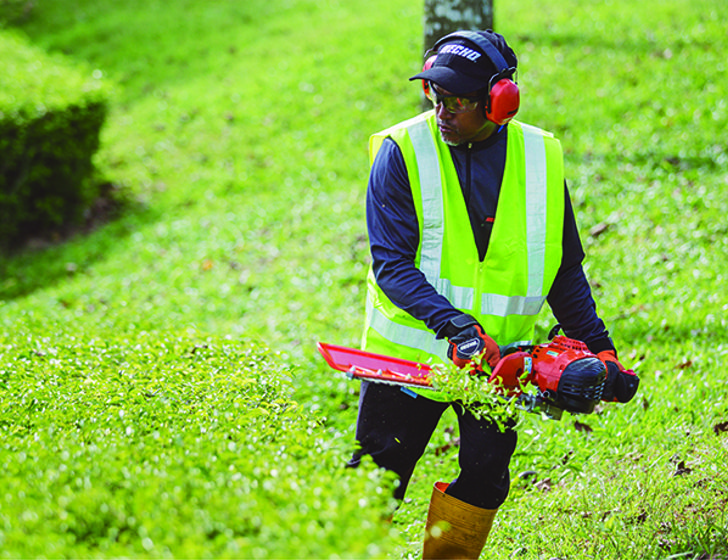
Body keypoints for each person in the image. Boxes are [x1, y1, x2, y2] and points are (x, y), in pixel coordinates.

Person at [349, 29, 639, 559]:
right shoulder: (401, 151)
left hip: (497, 367)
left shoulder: (540, 158)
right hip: (409, 362)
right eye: (436, 96)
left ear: (499, 101)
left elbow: (562, 269)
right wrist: (455, 326)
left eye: (457, 100)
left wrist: (601, 350)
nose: (442, 110)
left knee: (485, 480)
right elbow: (391, 265)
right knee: (374, 484)